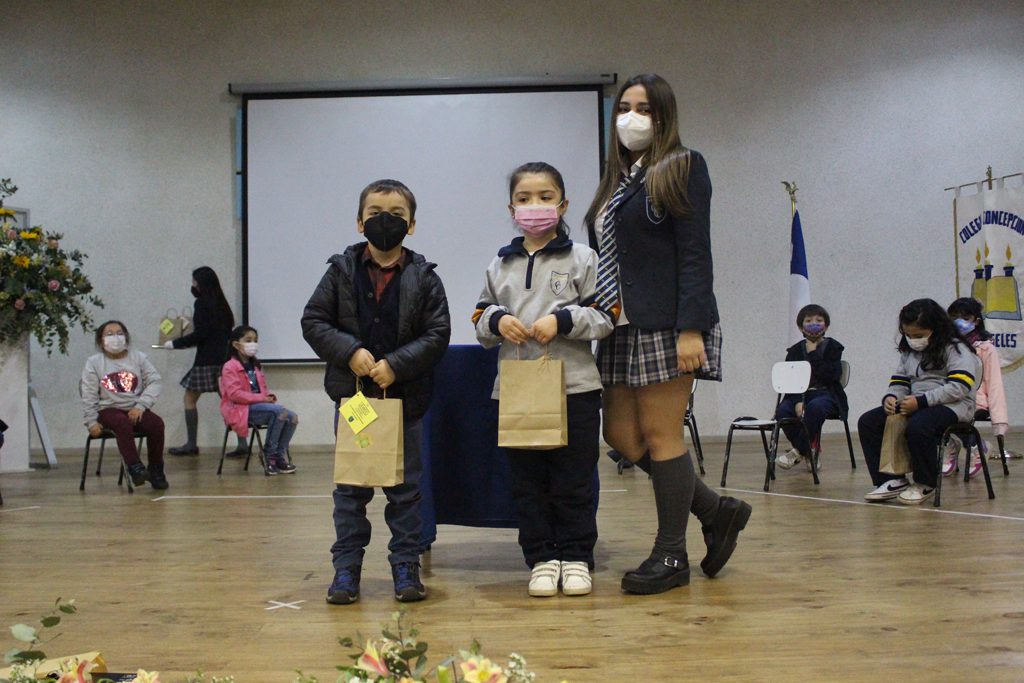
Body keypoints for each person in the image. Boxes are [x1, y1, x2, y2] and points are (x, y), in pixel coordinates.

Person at [584, 73, 751, 594]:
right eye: (624, 108)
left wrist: (691, 328)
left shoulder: (682, 165)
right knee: (620, 436)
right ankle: (715, 510)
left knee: (662, 436)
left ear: (664, 117)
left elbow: (695, 252)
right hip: (617, 326)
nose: (631, 118)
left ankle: (671, 554)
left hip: (668, 324)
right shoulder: (618, 180)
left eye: (644, 108)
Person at [302, 179, 450, 605]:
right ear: (359, 222)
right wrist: (349, 352)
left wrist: (396, 365)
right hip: (355, 402)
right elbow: (314, 321)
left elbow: (438, 333)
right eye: (375, 213)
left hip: (407, 403)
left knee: (407, 492)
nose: (386, 221)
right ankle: (346, 570)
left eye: (397, 215)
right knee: (351, 491)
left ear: (412, 225)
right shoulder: (339, 271)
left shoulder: (425, 277)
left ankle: (406, 566)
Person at [474, 162, 613, 597]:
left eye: (545, 197)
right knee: (527, 483)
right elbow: (479, 317)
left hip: (575, 388)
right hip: (518, 390)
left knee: (573, 480)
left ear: (563, 204)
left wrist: (564, 321)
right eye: (525, 198)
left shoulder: (584, 258)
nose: (535, 205)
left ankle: (576, 557)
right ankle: (541, 558)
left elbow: (607, 316)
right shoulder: (500, 263)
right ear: (511, 208)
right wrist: (497, 321)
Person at [859, 298, 982, 505]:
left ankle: (926, 482)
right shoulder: (909, 352)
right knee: (868, 422)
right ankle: (891, 479)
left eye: (918, 335)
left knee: (919, 425)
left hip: (954, 406)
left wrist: (922, 402)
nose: (913, 340)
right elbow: (900, 381)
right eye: (908, 335)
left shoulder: (957, 349)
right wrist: (891, 397)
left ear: (936, 328)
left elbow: (959, 387)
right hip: (917, 403)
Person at [81, 320, 168, 489]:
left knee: (156, 424)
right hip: (108, 410)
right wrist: (91, 421)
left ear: (126, 338)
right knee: (121, 422)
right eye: (109, 334)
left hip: (135, 408)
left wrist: (141, 405)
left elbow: (155, 381)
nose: (115, 337)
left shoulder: (139, 358)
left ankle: (156, 470)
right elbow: (89, 394)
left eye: (119, 333)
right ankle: (135, 468)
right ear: (101, 340)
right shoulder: (94, 362)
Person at [164, 266, 240, 456]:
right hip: (224, 360)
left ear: (201, 284)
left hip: (206, 361)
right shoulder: (222, 304)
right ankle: (243, 443)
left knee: (189, 399)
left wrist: (175, 343)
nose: (193, 285)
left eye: (195, 281)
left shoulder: (202, 303)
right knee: (231, 401)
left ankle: (191, 444)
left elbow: (201, 334)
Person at [775, 304, 849, 471]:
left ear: (826, 325)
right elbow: (791, 380)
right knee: (782, 411)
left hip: (826, 394)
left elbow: (830, 375)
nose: (814, 324)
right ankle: (809, 451)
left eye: (819, 320)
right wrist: (797, 401)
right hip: (799, 395)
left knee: (815, 407)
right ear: (801, 327)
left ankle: (797, 451)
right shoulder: (794, 351)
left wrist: (813, 353)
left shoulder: (834, 347)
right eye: (808, 321)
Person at [945, 297, 1013, 476]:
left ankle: (977, 446)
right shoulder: (945, 345)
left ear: (976, 321)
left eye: (965, 317)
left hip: (976, 399)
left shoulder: (986, 348)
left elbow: (994, 383)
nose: (959, 322)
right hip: (950, 394)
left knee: (949, 413)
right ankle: (950, 444)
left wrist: (999, 422)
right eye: (954, 317)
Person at [219, 325, 298, 475]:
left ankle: (279, 456)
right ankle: (269, 456)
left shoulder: (255, 366)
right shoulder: (229, 367)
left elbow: (261, 389)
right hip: (239, 410)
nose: (253, 344)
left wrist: (267, 398)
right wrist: (262, 398)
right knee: (279, 412)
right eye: (248, 340)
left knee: (292, 417)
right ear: (236, 344)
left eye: (255, 340)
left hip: (257, 407)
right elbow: (235, 395)